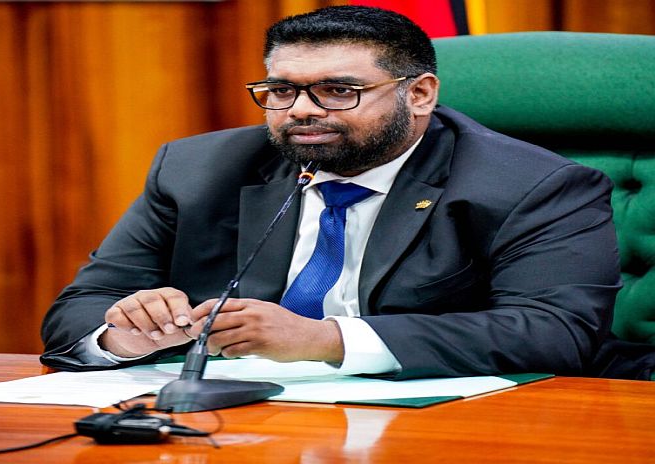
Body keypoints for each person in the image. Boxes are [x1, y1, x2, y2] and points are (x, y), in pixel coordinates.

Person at [41, 5, 642, 380]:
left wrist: (325, 340)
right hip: (245, 424)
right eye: (281, 91)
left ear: (420, 94)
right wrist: (126, 334)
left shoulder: (532, 185)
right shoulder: (196, 168)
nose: (300, 111)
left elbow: (554, 332)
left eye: (337, 90)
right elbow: (80, 307)